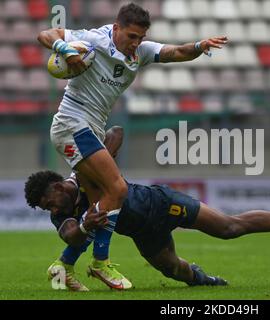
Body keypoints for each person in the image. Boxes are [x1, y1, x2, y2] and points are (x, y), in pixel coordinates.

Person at [37, 2, 228, 289]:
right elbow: (46, 34)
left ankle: (63, 265)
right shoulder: (93, 40)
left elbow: (176, 52)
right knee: (119, 189)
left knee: (102, 196)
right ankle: (100, 262)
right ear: (116, 29)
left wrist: (200, 45)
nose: (136, 43)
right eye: (131, 36)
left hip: (89, 129)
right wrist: (64, 50)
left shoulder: (140, 52)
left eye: (140, 37)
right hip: (72, 124)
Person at [24, 128, 270, 291]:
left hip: (161, 204)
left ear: (56, 185)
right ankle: (206, 282)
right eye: (46, 208)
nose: (50, 209)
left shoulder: (85, 172)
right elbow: (71, 237)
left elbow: (116, 131)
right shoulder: (61, 214)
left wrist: (104, 154)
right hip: (143, 233)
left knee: (228, 228)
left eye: (48, 202)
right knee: (174, 270)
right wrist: (87, 226)